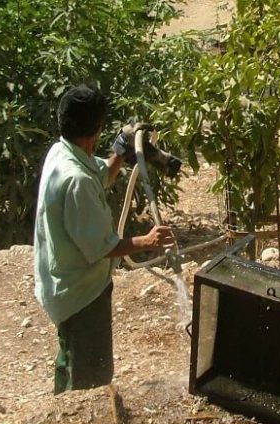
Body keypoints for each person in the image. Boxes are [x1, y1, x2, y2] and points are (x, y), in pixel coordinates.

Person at [34, 83, 175, 394]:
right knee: (91, 377)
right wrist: (147, 241)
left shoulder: (63, 153)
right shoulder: (76, 180)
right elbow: (101, 247)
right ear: (97, 128)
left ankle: (62, 401)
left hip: (61, 285)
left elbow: (102, 174)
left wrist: (120, 152)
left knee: (70, 354)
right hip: (80, 294)